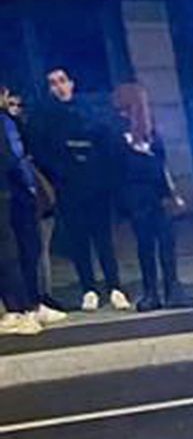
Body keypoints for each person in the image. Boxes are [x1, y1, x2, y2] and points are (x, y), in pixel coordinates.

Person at [34, 67, 128, 311]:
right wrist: (59, 173)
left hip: (96, 184)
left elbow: (105, 141)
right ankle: (89, 288)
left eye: (62, 81)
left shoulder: (90, 111)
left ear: (72, 83)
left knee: (103, 238)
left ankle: (114, 286)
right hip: (69, 185)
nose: (59, 87)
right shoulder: (45, 116)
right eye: (53, 83)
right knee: (79, 240)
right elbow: (41, 150)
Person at [111, 83, 193, 311]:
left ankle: (172, 288)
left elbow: (161, 165)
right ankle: (151, 291)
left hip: (157, 193)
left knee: (166, 241)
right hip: (137, 195)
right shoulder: (117, 130)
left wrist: (171, 192)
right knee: (146, 243)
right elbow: (118, 166)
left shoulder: (150, 130)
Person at [0, 84, 63, 332]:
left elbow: (21, 153)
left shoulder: (9, 120)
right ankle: (18, 309)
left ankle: (33, 303)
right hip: (7, 189)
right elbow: (10, 157)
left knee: (28, 247)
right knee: (7, 251)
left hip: (18, 191)